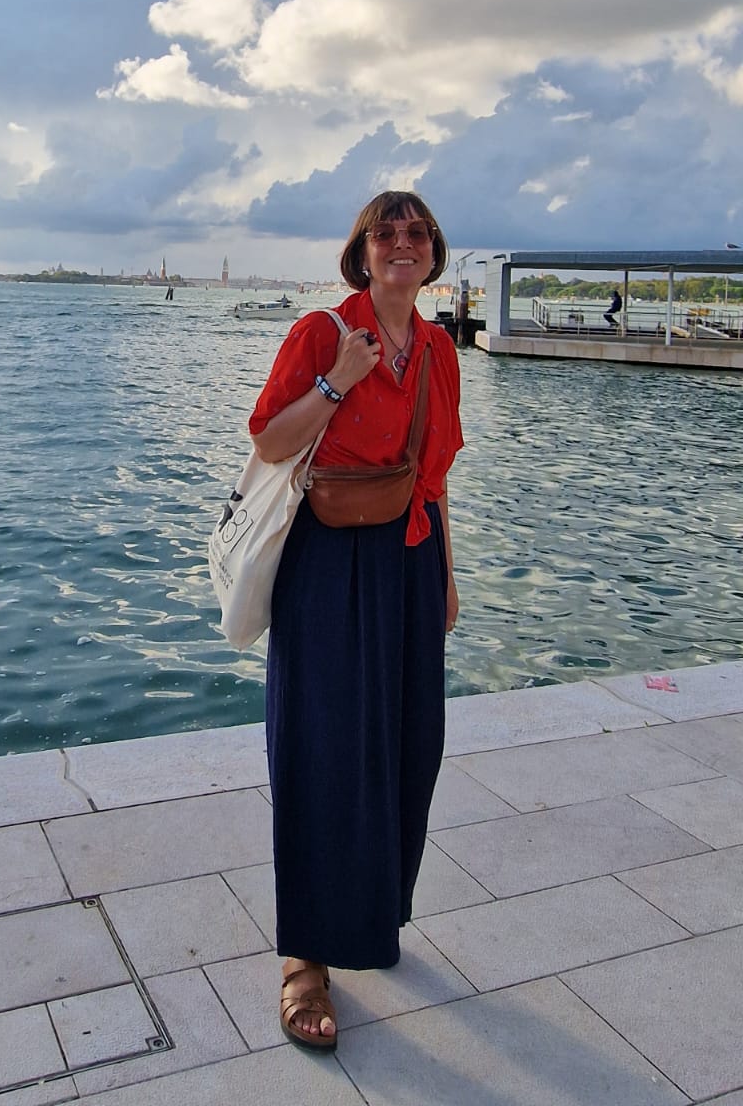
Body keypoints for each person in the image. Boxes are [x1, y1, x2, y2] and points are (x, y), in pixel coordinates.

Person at [248, 190, 463, 1051]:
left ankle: (372, 912)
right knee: (322, 751)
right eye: (386, 232)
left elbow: (435, 476)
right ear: (362, 251)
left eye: (417, 232)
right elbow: (270, 442)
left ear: (433, 250)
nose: (402, 243)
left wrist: (447, 577)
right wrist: (340, 378)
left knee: (412, 743)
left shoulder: (440, 350)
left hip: (410, 555)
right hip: (328, 562)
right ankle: (305, 957)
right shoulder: (321, 334)